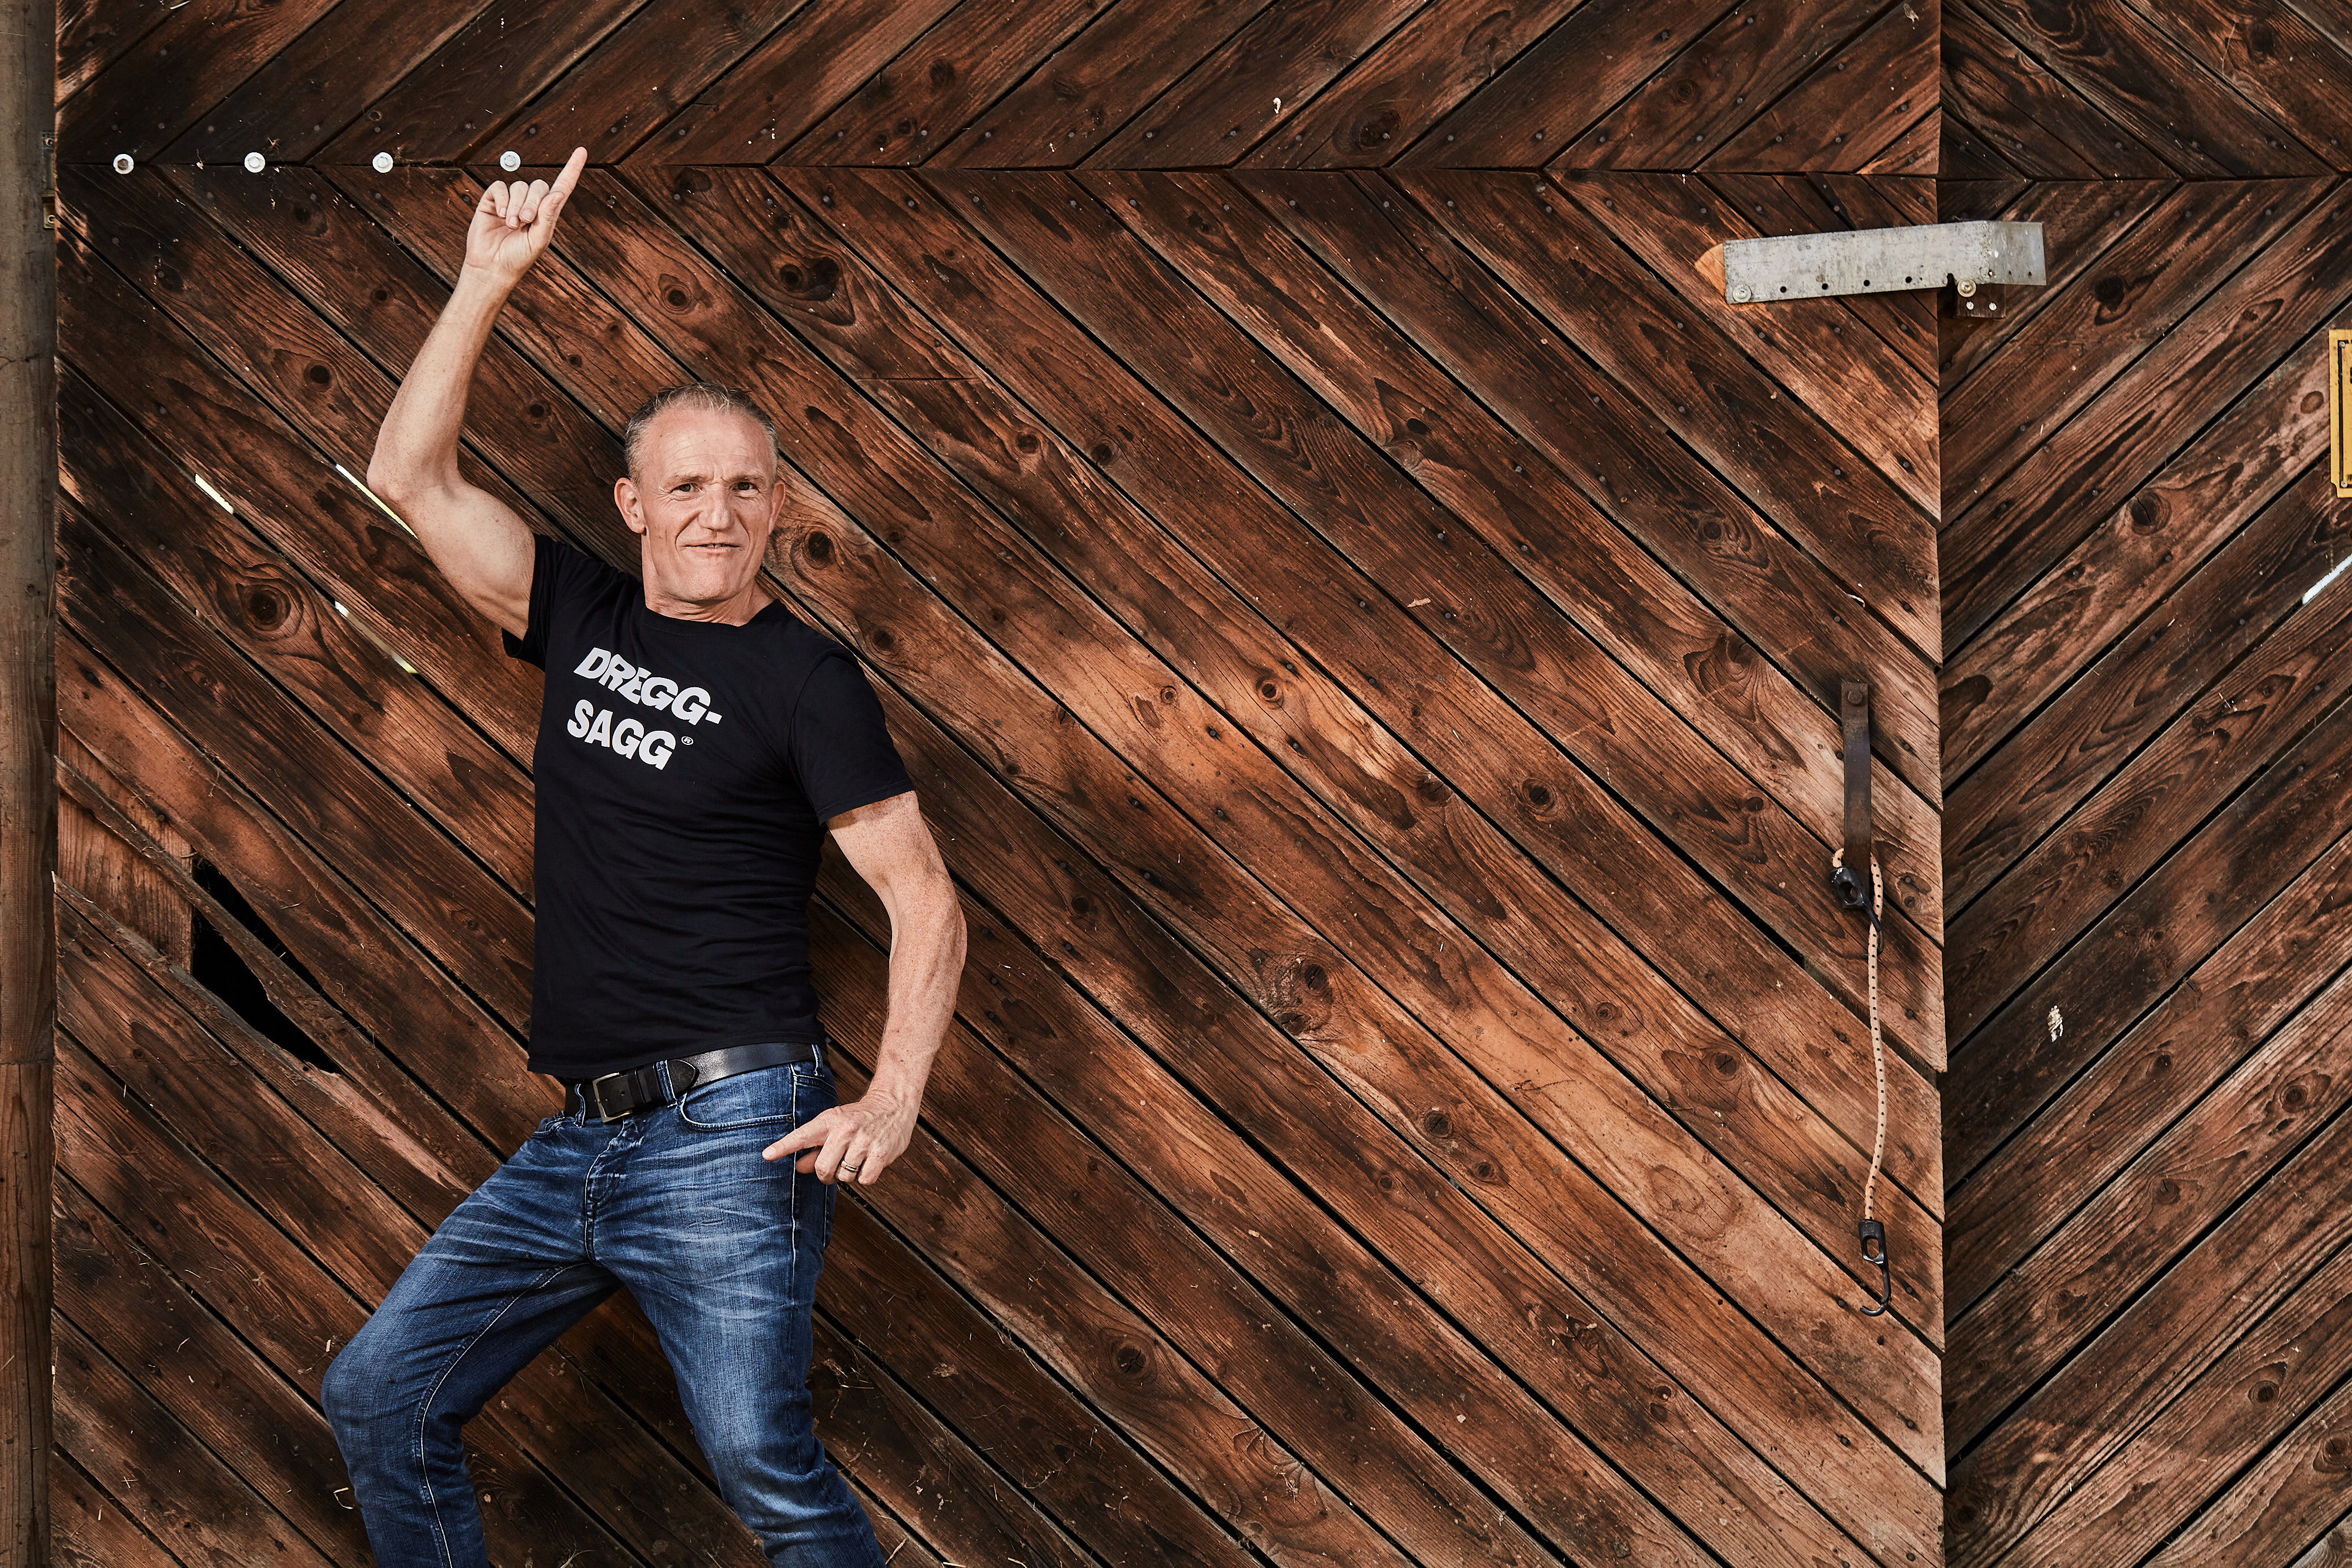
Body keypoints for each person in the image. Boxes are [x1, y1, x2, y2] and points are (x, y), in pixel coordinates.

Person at [322, 147, 966, 1568]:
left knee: (762, 1466)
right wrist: (486, 277)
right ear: (632, 505)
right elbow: (405, 475)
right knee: (379, 1392)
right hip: (579, 1136)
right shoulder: (579, 616)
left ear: (776, 506)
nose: (714, 515)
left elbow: (923, 895)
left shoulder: (807, 682)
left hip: (733, 1130)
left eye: (743, 488)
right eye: (685, 487)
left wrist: (894, 1095)